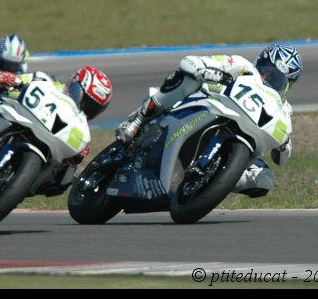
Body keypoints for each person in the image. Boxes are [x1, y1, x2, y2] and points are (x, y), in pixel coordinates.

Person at [115, 43, 303, 198]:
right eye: (268, 72)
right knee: (187, 79)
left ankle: (212, 182)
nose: (269, 79)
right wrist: (207, 71)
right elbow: (192, 62)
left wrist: (284, 144)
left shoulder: (283, 108)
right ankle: (139, 120)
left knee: (265, 178)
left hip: (243, 131)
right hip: (205, 104)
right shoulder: (243, 67)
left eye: (280, 80)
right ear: (259, 63)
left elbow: (282, 158)